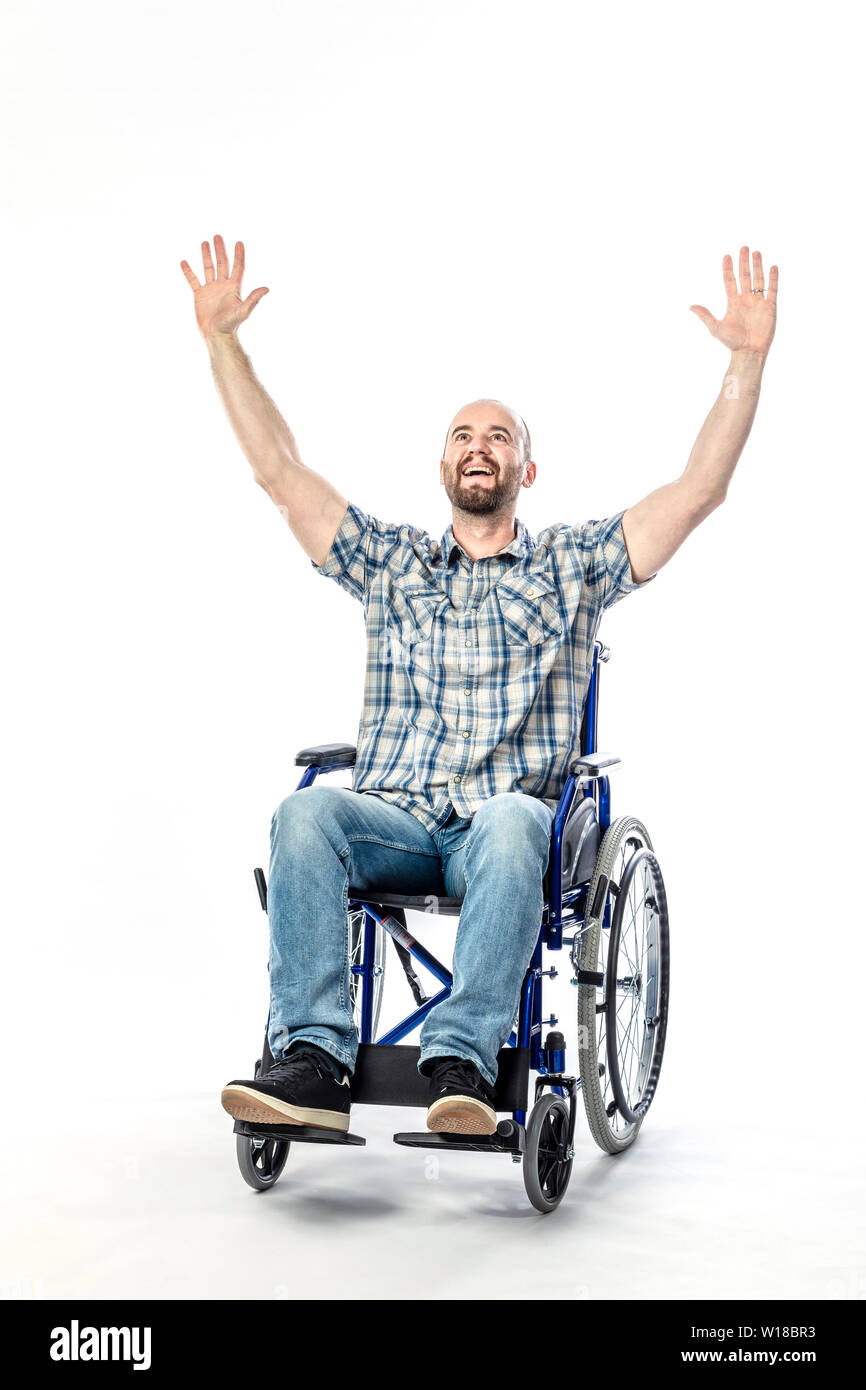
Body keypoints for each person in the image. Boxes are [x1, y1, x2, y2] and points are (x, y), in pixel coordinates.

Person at [180, 235, 778, 1136]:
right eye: (463, 434)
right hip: (397, 819)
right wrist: (224, 340)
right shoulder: (390, 563)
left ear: (525, 470)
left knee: (511, 819)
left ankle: (462, 1058)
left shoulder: (573, 566)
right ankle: (311, 1058)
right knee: (305, 812)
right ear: (443, 465)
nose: (479, 446)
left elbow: (697, 492)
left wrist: (745, 361)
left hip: (501, 830)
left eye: (500, 436)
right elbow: (280, 474)